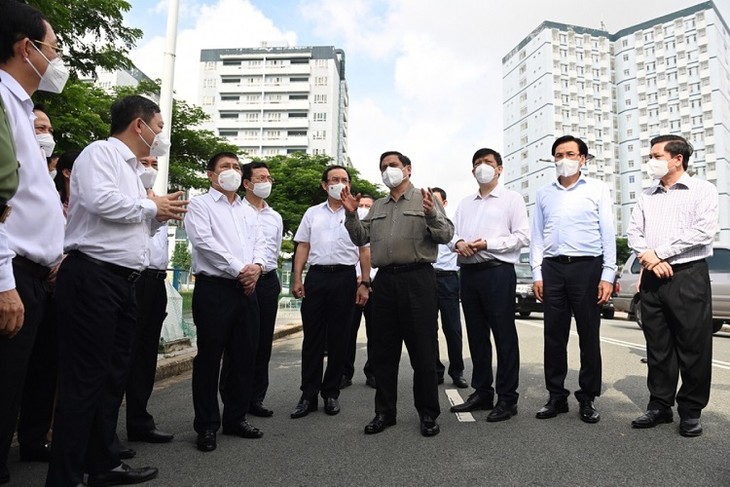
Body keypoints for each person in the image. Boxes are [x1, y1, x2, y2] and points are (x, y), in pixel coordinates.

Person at [47, 95, 187, 486]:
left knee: (111, 378)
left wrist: (158, 214)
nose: (160, 137)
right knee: (85, 381)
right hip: (93, 277)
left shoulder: (133, 173)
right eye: (158, 128)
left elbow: (131, 224)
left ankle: (102, 462)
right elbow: (97, 201)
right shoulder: (101, 154)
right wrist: (150, 208)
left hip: (123, 282)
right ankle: (65, 476)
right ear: (138, 125)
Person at [342, 151, 454, 437]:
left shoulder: (427, 198)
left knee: (424, 352)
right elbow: (359, 238)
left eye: (393, 165)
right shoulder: (378, 205)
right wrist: (351, 213)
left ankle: (428, 414)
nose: (388, 170)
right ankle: (384, 412)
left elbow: (445, 235)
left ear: (408, 169)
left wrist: (431, 215)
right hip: (386, 282)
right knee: (383, 352)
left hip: (418, 279)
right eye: (383, 167)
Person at [0, 2, 66, 484]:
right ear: (28, 48)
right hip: (12, 271)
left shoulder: (21, 108)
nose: (57, 61)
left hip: (36, 273)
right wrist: (4, 281)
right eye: (54, 50)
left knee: (23, 379)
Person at [627, 134, 719, 437]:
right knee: (658, 346)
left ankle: (691, 411)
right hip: (653, 276)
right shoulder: (646, 195)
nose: (651, 162)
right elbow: (634, 235)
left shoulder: (702, 190)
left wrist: (660, 253)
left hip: (688, 275)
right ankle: (659, 405)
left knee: (693, 346)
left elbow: (703, 231)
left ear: (677, 158)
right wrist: (652, 260)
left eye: (656, 156)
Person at [530, 135, 616, 424]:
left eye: (570, 153)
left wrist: (608, 273)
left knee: (588, 335)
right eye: (558, 154)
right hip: (553, 268)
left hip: (587, 268)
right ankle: (556, 396)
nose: (563, 159)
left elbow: (607, 232)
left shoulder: (597, 189)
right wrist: (537, 272)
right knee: (554, 335)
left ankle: (588, 397)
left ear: (582, 158)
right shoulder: (544, 193)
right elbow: (537, 236)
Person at [185, 152, 266, 453]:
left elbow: (260, 243)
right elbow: (204, 242)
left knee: (244, 356)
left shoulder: (248, 210)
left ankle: (236, 417)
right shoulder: (200, 205)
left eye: (235, 167)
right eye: (224, 167)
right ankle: (206, 425)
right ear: (210, 174)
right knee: (209, 358)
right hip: (215, 288)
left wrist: (256, 267)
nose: (231, 171)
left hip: (247, 290)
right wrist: (240, 269)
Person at [448, 149, 529, 422]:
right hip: (469, 274)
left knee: (504, 335)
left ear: (499, 169)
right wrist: (458, 244)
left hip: (498, 272)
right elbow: (452, 234)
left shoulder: (512, 199)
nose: (483, 167)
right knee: (477, 335)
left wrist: (488, 244)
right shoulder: (464, 203)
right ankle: (482, 392)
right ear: (472, 171)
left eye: (488, 163)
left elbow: (522, 236)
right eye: (478, 164)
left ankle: (508, 398)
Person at [290, 165, 369, 419]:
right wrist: (297, 278)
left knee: (340, 339)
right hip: (317, 277)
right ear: (325, 185)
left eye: (344, 179)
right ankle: (308, 395)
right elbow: (303, 246)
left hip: (345, 278)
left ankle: (331, 392)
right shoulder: (312, 213)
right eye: (334, 180)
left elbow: (364, 250)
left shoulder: (357, 215)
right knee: (312, 338)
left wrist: (364, 283)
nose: (339, 183)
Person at [122, 155, 175, 444]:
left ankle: (139, 420)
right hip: (131, 279)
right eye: (144, 162)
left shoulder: (160, 201)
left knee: (145, 355)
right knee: (120, 355)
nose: (150, 169)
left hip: (156, 282)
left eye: (154, 163)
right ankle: (103, 431)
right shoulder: (125, 198)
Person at [241, 161, 283, 418]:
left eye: (269, 177)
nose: (267, 182)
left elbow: (274, 250)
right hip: (242, 281)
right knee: (241, 343)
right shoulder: (236, 210)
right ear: (247, 183)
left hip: (267, 281)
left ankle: (256, 398)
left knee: (262, 343)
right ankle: (236, 399)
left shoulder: (274, 216)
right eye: (261, 178)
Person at [429, 188, 467, 389]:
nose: (433, 205)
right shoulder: (422, 224)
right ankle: (435, 371)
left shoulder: (452, 225)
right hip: (427, 278)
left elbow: (458, 243)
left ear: (444, 203)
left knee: (452, 328)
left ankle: (457, 371)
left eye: (436, 201)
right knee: (429, 328)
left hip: (448, 279)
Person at [342, 195, 377, 390]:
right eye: (360, 205)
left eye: (367, 206)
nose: (363, 209)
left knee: (376, 331)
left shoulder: (377, 226)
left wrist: (367, 278)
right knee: (347, 330)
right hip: (350, 284)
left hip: (373, 283)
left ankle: (373, 372)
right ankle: (345, 373)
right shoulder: (348, 224)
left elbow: (377, 255)